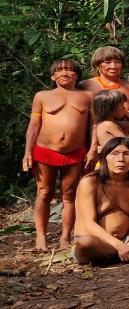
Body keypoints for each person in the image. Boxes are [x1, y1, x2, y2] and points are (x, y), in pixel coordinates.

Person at [23, 59, 91, 250]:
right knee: (44, 192)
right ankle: (40, 237)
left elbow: (94, 125)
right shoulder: (42, 96)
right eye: (59, 70)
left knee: (69, 195)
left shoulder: (87, 96)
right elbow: (33, 126)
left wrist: (93, 148)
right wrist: (27, 152)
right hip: (45, 151)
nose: (64, 73)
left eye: (69, 70)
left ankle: (65, 238)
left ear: (77, 75)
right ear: (53, 76)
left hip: (75, 152)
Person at [79, 46, 129, 138]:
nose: (113, 66)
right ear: (97, 65)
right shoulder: (85, 85)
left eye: (117, 62)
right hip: (95, 139)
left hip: (126, 139)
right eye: (107, 62)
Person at [90, 90, 129, 167]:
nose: (125, 108)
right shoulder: (108, 125)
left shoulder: (110, 123)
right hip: (111, 161)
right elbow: (127, 142)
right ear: (112, 109)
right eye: (122, 106)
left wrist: (125, 112)